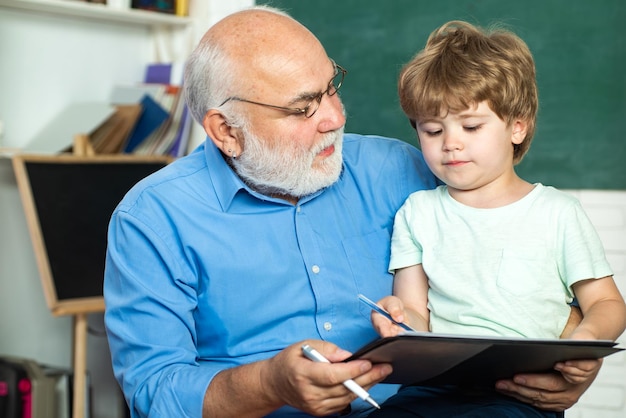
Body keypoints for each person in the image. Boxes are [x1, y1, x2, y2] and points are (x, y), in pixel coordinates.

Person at [103, 7, 603, 417]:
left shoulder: (401, 169)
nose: (336, 117)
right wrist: (270, 383)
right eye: (303, 108)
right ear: (226, 130)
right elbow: (155, 392)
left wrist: (568, 357)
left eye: (332, 87)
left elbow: (521, 249)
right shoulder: (152, 219)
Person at [369, 20, 626, 417]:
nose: (450, 143)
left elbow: (607, 303)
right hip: (431, 390)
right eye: (432, 130)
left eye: (471, 126)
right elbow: (415, 310)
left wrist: (584, 340)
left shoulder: (557, 213)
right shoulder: (418, 212)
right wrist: (399, 321)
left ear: (517, 127)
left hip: (520, 394)